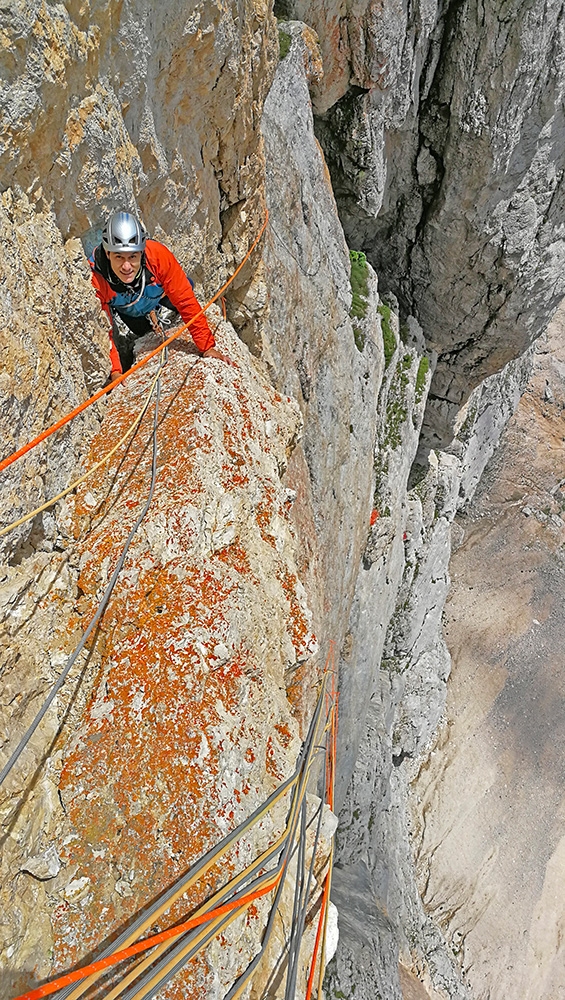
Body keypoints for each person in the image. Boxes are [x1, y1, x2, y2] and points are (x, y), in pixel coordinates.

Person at [89, 211, 231, 380]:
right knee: (144, 334)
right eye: (119, 257)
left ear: (141, 253)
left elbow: (185, 301)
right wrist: (116, 372)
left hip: (158, 295)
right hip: (131, 311)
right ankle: (152, 316)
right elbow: (106, 329)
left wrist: (207, 347)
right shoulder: (97, 279)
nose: (126, 266)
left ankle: (159, 311)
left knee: (187, 287)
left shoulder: (157, 256)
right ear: (107, 254)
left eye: (132, 256)